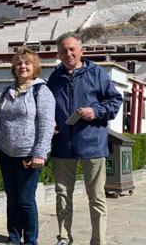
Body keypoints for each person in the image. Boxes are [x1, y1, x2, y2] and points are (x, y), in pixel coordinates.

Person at [47, 33, 123, 245]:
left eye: (72, 49)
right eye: (63, 51)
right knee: (62, 195)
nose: (68, 54)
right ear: (58, 54)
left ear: (81, 50)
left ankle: (98, 241)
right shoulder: (54, 78)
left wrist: (95, 111)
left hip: (92, 145)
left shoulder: (97, 73)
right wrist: (49, 121)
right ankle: (63, 237)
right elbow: (47, 106)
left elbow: (115, 101)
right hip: (63, 146)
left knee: (97, 198)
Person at [0, 47, 55, 245]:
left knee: (25, 200)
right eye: (18, 63)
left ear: (35, 67)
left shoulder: (42, 91)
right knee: (12, 199)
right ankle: (14, 237)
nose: (22, 66)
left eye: (27, 63)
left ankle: (31, 240)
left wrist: (40, 153)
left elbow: (46, 125)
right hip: (7, 153)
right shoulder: (7, 91)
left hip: (29, 155)